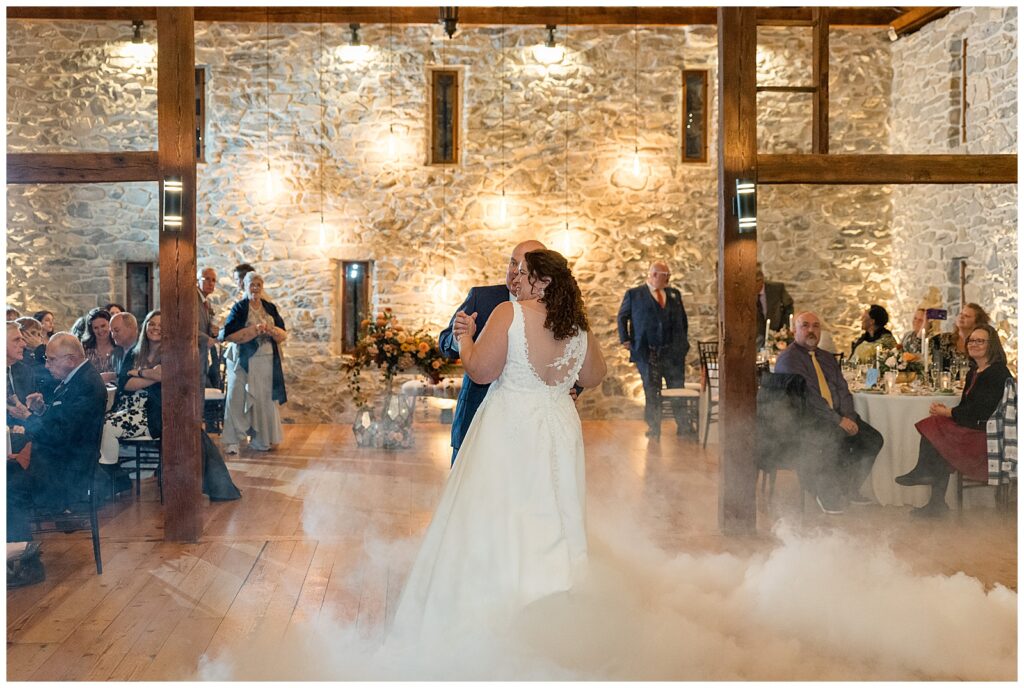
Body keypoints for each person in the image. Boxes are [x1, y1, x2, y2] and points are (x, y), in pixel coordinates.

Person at [390, 248, 606, 641]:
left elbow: (480, 370)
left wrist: (467, 338)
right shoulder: (576, 324)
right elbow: (594, 375)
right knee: (554, 509)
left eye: (524, 273)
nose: (516, 279)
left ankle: (497, 611)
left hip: (512, 424)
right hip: (558, 427)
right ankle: (552, 612)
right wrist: (560, 385)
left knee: (503, 512)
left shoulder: (510, 313)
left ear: (543, 281)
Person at [438, 239, 546, 465]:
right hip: (475, 416)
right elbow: (444, 341)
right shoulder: (482, 297)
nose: (515, 273)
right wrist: (462, 337)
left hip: (529, 426)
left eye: (523, 268)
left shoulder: (553, 310)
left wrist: (572, 389)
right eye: (512, 264)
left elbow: (571, 354)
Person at [896, 324, 1012, 518]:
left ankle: (928, 481)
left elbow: (980, 411)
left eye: (980, 341)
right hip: (976, 426)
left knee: (934, 426)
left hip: (987, 435)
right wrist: (948, 412)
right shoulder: (975, 371)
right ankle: (934, 498)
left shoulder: (996, 373)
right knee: (937, 433)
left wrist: (948, 412)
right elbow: (968, 407)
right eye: (972, 340)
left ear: (992, 345)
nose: (974, 344)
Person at [774, 311, 884, 514]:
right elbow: (810, 397)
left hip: (838, 415)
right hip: (807, 419)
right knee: (832, 439)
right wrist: (837, 420)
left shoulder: (826, 358)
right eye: (805, 326)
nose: (811, 330)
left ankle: (848, 488)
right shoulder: (789, 359)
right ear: (794, 331)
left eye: (815, 326)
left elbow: (842, 389)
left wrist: (849, 416)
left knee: (873, 439)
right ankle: (826, 492)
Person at [7, 333, 107, 543]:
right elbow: (65, 422)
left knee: (9, 489)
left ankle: (26, 560)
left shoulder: (86, 384)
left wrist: (27, 417)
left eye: (51, 359)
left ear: (70, 360)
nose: (47, 365)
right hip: (66, 463)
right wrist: (42, 410)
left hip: (67, 475)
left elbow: (57, 436)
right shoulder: (80, 377)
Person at [617, 260, 690, 439]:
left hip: (673, 353)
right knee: (651, 389)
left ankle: (683, 425)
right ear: (654, 275)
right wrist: (625, 339)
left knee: (677, 387)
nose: (669, 279)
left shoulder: (674, 294)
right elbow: (622, 317)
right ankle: (654, 427)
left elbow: (683, 321)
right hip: (647, 352)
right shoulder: (634, 295)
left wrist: (682, 343)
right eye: (666, 276)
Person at [220, 272, 287, 454]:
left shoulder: (269, 307)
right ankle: (233, 440)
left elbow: (283, 332)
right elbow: (227, 334)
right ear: (245, 286)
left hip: (265, 359)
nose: (255, 288)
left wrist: (272, 331)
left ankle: (262, 439)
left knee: (264, 399)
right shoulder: (239, 308)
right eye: (251, 284)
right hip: (243, 360)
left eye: (258, 284)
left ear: (262, 286)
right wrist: (253, 330)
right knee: (236, 397)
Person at [99, 310, 163, 465]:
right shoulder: (135, 353)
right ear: (145, 326)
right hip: (126, 409)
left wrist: (138, 373)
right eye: (152, 323)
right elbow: (126, 384)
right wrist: (151, 374)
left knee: (107, 426)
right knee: (97, 421)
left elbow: (164, 376)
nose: (156, 328)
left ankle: (109, 470)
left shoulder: (171, 354)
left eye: (161, 325)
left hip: (152, 414)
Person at [932, 303, 990, 372]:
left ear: (977, 322)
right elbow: (921, 351)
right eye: (961, 314)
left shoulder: (980, 345)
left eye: (967, 316)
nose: (961, 317)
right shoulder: (943, 339)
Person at [755, 263, 795, 349]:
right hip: (757, 335)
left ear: (761, 280)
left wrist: (784, 326)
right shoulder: (747, 292)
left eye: (755, 282)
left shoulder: (776, 289)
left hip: (776, 330)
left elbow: (788, 305)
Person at [81, 307, 117, 382]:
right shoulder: (85, 348)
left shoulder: (119, 345)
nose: (100, 330)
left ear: (110, 325)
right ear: (91, 330)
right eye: (96, 328)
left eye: (103, 326)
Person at [198, 267, 218, 386]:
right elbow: (187, 327)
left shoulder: (207, 302)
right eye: (207, 279)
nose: (211, 283)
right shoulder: (191, 300)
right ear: (197, 280)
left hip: (203, 356)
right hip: (192, 356)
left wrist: (213, 331)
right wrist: (207, 339)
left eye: (214, 280)